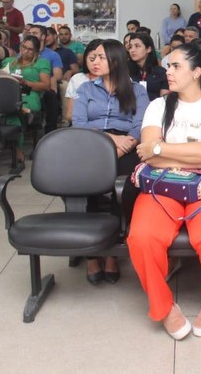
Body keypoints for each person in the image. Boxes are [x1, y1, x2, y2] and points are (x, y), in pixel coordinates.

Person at [126, 43, 201, 340]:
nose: (168, 72)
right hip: (163, 183)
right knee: (142, 238)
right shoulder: (158, 106)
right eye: (168, 66)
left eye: (176, 66)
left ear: (197, 72)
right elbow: (147, 154)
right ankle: (162, 307)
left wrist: (165, 148)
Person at [72, 39, 150, 285]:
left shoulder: (137, 90)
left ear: (116, 60)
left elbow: (140, 125)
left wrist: (124, 143)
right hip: (93, 144)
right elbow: (79, 124)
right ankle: (92, 253)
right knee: (86, 186)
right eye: (92, 58)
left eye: (101, 57)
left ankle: (114, 248)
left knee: (125, 187)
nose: (94, 62)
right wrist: (109, 140)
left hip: (127, 147)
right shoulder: (85, 89)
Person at [1, 35, 51, 163]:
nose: (25, 51)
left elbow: (46, 85)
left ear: (36, 52)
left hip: (29, 94)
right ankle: (14, 147)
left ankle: (18, 150)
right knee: (13, 112)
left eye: (30, 49)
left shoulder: (42, 62)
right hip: (9, 94)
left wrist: (26, 82)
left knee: (14, 112)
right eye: (24, 47)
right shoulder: (9, 61)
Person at [64, 39, 102, 125]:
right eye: (92, 59)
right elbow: (70, 115)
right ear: (85, 59)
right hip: (82, 127)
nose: (95, 63)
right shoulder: (77, 79)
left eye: (101, 59)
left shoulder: (117, 79)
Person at [127, 32, 169, 101]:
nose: (132, 50)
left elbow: (164, 101)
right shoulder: (125, 71)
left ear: (148, 49)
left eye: (137, 46)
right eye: (130, 47)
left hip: (154, 109)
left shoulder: (161, 72)